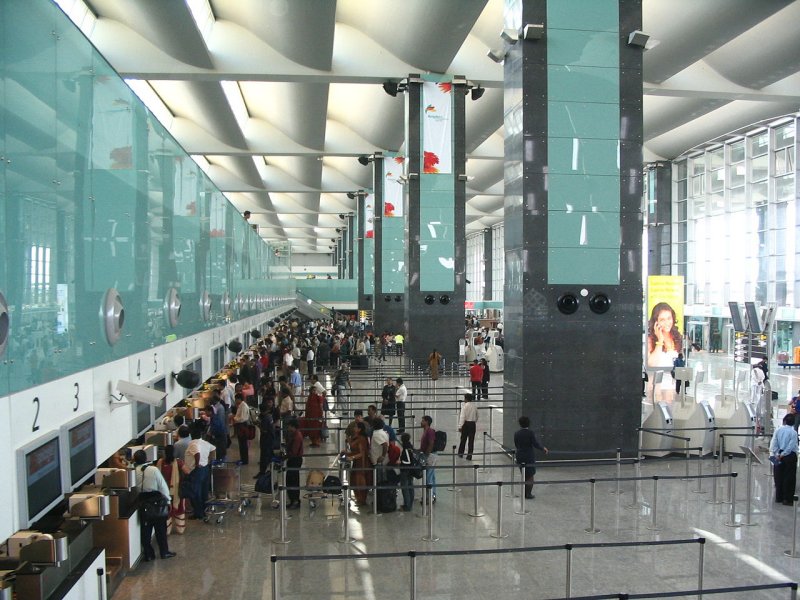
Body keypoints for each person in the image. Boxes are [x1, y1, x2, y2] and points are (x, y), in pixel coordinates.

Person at [133, 449, 176, 561]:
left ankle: (149, 554)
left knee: (145, 531)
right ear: (146, 458)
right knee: (160, 529)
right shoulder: (153, 469)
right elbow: (162, 486)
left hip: (143, 502)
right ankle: (164, 552)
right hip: (157, 502)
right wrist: (168, 500)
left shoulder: (133, 471)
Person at [185, 424, 216, 520]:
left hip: (196, 470)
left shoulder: (193, 444)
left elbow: (197, 453)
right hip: (205, 468)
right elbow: (213, 448)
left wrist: (197, 463)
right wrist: (211, 460)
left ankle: (198, 513)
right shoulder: (205, 443)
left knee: (195, 492)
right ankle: (204, 510)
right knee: (203, 491)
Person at [514, 415, 548, 499]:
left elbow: (516, 444)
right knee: (530, 476)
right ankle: (528, 494)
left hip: (519, 455)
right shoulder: (530, 433)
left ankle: (524, 492)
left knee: (524, 475)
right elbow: (535, 444)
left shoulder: (517, 433)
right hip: (528, 456)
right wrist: (543, 448)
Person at [156, 445, 187, 535]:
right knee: (179, 509)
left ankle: (167, 530)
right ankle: (180, 529)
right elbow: (187, 471)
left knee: (166, 510)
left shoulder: (160, 462)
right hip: (176, 491)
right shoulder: (178, 462)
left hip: (164, 491)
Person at [769, 414, 798, 505]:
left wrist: (777, 454)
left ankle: (778, 497)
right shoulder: (793, 432)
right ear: (793, 423)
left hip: (777, 455)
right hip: (790, 456)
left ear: (784, 421)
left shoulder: (778, 430)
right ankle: (787, 499)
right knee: (789, 477)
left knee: (778, 476)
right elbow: (791, 446)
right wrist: (783, 454)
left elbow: (774, 443)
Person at [647, 302, 682, 368]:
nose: (667, 323)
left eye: (669, 318)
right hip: (658, 377)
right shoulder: (650, 340)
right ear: (656, 322)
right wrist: (660, 341)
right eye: (662, 320)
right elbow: (651, 364)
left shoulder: (677, 337)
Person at [345, 422, 370, 506]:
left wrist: (352, 457)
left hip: (361, 462)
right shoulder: (355, 437)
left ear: (359, 429)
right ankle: (358, 498)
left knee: (360, 481)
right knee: (354, 480)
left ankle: (362, 499)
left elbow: (362, 453)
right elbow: (353, 448)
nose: (354, 428)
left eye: (355, 427)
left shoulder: (362, 439)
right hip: (356, 461)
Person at [284, 418, 304, 509]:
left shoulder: (297, 436)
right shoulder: (293, 434)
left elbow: (294, 452)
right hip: (293, 459)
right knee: (291, 480)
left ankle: (295, 501)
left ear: (293, 426)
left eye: (289, 426)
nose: (287, 428)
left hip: (295, 460)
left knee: (293, 481)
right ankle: (293, 500)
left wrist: (285, 456)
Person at [419, 415, 437, 501]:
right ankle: (432, 494)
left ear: (427, 422)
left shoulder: (429, 431)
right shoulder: (425, 431)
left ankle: (430, 496)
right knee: (431, 475)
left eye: (422, 421)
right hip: (427, 454)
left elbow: (431, 444)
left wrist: (426, 455)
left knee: (428, 476)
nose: (421, 422)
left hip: (430, 455)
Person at [304, 382, 325, 447]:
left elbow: (321, 406)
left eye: (315, 390)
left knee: (316, 429)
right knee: (312, 429)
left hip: (316, 415)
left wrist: (321, 415)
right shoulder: (310, 397)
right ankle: (313, 442)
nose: (315, 391)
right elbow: (307, 407)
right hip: (311, 415)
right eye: (313, 390)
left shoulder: (318, 397)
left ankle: (316, 442)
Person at [458, 393, 478, 460]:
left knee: (463, 439)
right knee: (471, 440)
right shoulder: (474, 406)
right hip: (472, 424)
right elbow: (477, 415)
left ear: (466, 399)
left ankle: (461, 453)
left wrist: (460, 426)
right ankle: (469, 455)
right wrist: (474, 421)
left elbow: (462, 417)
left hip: (466, 424)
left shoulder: (465, 406)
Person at [231, 393, 250, 465]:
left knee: (243, 444)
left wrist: (234, 418)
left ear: (239, 399)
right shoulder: (241, 405)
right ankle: (242, 459)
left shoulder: (243, 406)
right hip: (240, 425)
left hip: (242, 426)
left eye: (236, 399)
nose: (235, 400)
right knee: (241, 443)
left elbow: (242, 418)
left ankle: (244, 460)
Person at [399, 433, 416, 511]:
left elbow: (407, 461)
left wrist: (400, 462)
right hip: (411, 470)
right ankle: (410, 503)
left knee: (405, 487)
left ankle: (407, 505)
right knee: (410, 486)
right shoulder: (410, 447)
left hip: (405, 470)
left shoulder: (406, 448)